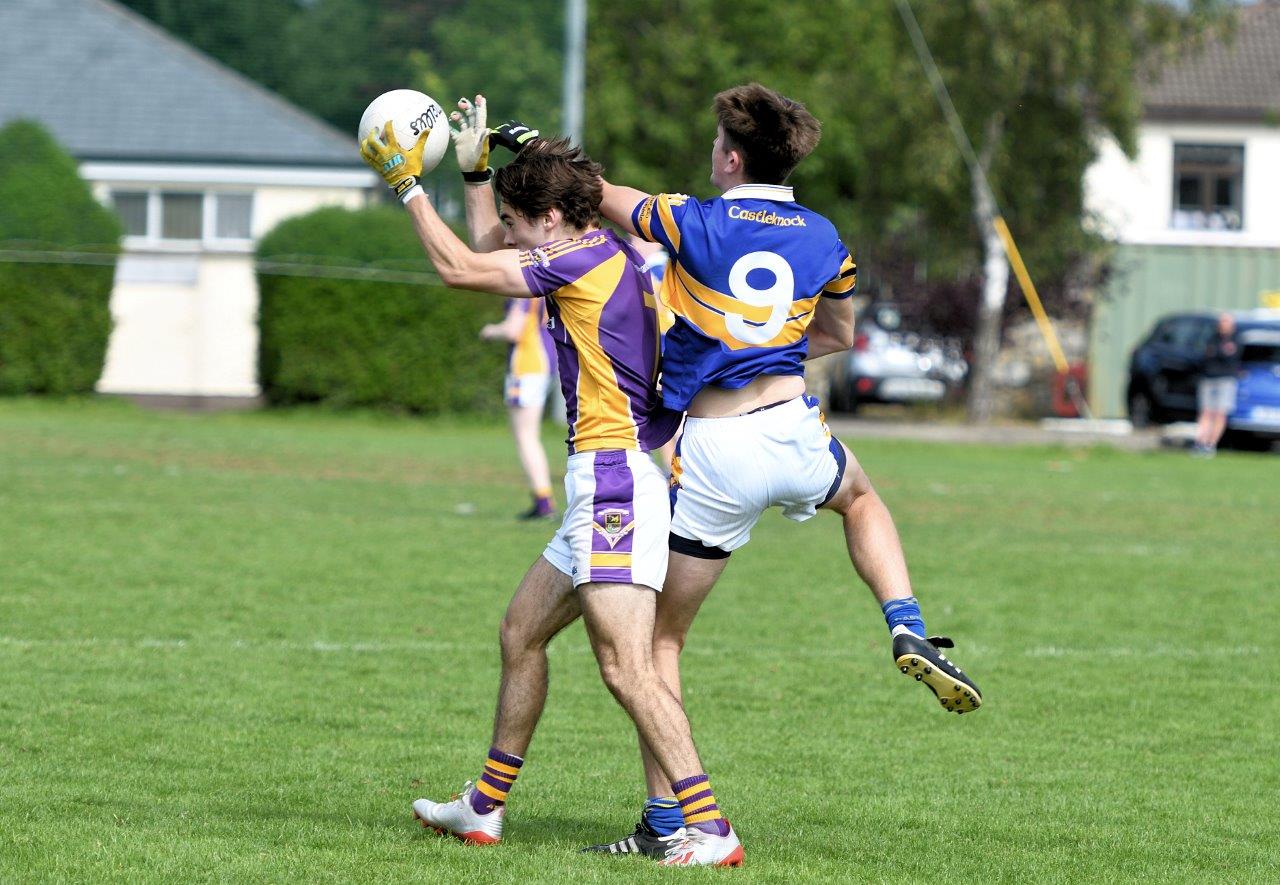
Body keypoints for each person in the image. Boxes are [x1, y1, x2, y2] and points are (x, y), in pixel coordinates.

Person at [583, 83, 983, 856]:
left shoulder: (690, 218)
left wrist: (522, 147)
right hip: (794, 430)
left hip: (715, 449)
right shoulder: (826, 237)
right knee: (862, 498)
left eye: (714, 148)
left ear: (731, 158)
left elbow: (594, 194)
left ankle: (667, 823)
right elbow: (836, 332)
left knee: (659, 646)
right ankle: (906, 624)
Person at [358, 96, 744, 867]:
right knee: (521, 631)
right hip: (606, 482)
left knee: (626, 667)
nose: (511, 231)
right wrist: (473, 173)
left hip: (615, 483)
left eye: (519, 218)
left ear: (557, 219)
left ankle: (710, 828)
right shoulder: (604, 252)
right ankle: (484, 807)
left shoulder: (580, 258)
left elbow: (462, 266)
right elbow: (489, 249)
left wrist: (408, 185)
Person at [480, 296, 558, 519]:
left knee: (526, 437)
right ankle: (542, 500)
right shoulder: (545, 284)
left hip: (527, 364)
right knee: (528, 436)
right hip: (543, 362)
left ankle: (544, 502)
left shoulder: (523, 290)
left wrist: (490, 330)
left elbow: (514, 329)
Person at [1194, 312, 1241, 457]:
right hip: (1208, 378)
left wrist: (1220, 353)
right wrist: (1221, 352)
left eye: (1227, 322)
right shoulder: (1211, 338)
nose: (1223, 325)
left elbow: (1231, 356)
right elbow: (1207, 355)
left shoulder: (1237, 340)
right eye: (1222, 322)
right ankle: (1199, 443)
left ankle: (1210, 445)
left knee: (1220, 413)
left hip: (1226, 380)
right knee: (1206, 411)